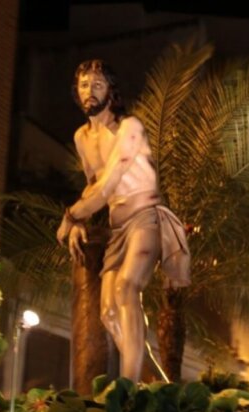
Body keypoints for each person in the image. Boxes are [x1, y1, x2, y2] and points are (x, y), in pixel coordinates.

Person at [56, 59, 190, 381]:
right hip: (118, 228)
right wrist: (78, 223)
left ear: (110, 91)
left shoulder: (130, 128)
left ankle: (127, 388)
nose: (90, 91)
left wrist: (71, 216)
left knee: (128, 288)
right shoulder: (82, 138)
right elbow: (93, 184)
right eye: (84, 85)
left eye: (98, 85)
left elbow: (108, 185)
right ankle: (153, 385)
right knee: (108, 312)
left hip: (146, 219)